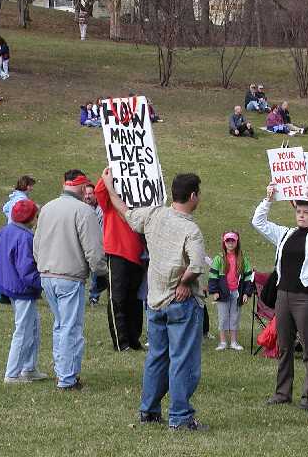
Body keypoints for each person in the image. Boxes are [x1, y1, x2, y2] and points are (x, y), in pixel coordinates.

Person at [101, 168, 209, 431]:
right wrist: (184, 282)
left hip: (155, 299)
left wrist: (109, 185)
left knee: (157, 357)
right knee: (183, 360)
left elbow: (125, 212)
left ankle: (148, 410)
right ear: (193, 196)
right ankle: (181, 417)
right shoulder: (190, 230)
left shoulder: (153, 214)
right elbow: (196, 265)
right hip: (180, 302)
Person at [252, 183, 308, 410]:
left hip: (305, 298)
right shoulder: (285, 234)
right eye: (299, 212)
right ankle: (282, 393)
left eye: (306, 212)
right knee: (285, 346)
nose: (301, 215)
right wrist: (268, 199)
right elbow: (258, 222)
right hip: (283, 296)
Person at [33, 170, 107, 390]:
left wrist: (42, 265)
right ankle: (67, 377)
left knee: (60, 325)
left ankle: (62, 371)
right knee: (70, 328)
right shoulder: (84, 211)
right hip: (69, 276)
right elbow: (94, 250)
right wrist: (102, 271)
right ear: (83, 187)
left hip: (46, 274)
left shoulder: (46, 208)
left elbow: (36, 244)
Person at [0, 199, 48, 384]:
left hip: (12, 287)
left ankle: (29, 368)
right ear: (31, 219)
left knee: (33, 326)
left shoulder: (7, 230)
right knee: (23, 330)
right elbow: (27, 270)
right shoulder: (26, 237)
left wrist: (6, 261)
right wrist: (44, 282)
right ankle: (12, 374)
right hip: (22, 290)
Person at [94, 176, 145, 351]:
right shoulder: (109, 200)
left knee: (135, 300)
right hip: (117, 253)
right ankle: (121, 342)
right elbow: (99, 190)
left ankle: (133, 339)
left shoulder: (141, 200)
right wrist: (111, 172)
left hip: (139, 255)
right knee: (118, 299)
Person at [208, 231, 253, 351]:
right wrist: (214, 291)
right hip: (223, 293)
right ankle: (223, 342)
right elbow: (213, 276)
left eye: (233, 240)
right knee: (223, 317)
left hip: (237, 293)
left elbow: (249, 277)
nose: (230, 243)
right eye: (228, 241)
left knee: (235, 317)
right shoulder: (219, 259)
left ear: (237, 242)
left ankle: (234, 341)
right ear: (224, 242)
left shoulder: (242, 258)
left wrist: (246, 293)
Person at [83, 183, 104, 306]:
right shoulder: (80, 208)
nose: (87, 196)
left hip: (97, 245)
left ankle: (94, 296)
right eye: (85, 193)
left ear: (95, 195)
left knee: (96, 272)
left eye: (90, 193)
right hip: (82, 245)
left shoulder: (101, 210)